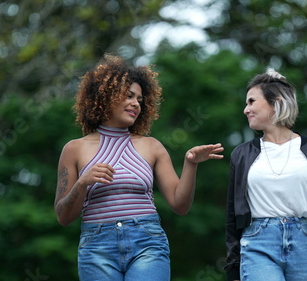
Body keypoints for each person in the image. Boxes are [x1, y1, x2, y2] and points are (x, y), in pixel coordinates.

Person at [54, 54, 224, 281]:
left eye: (140, 99)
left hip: (147, 241)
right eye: (128, 96)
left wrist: (190, 164)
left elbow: (180, 205)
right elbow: (63, 216)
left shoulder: (152, 146)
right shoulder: (74, 149)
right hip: (97, 246)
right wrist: (83, 182)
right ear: (104, 96)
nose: (136, 103)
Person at [224, 68, 307, 281]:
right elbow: (231, 215)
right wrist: (232, 267)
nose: (246, 109)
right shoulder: (242, 154)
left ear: (275, 102)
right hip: (257, 243)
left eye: (251, 102)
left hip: (304, 241)